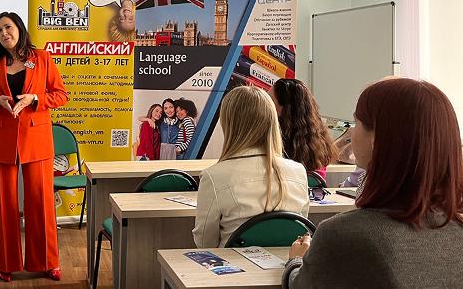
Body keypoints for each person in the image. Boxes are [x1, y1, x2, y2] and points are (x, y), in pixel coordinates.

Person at [283, 78, 463, 288]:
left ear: (377, 139)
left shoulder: (344, 235)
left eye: (356, 122)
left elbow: (301, 285)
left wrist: (296, 261)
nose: (352, 132)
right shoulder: (456, 230)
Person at [0, 12, 69, 283]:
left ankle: (48, 262)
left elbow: (61, 95)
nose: (4, 33)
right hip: (0, 143)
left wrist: (35, 98)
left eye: (8, 27)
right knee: (3, 206)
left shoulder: (42, 58)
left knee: (41, 203)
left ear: (19, 29)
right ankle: (5, 263)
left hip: (36, 140)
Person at [192, 86, 309, 247]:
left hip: (232, 263)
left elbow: (205, 243)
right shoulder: (298, 171)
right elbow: (301, 232)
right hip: (287, 261)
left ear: (229, 124)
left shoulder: (213, 176)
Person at [269, 79, 337, 179]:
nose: (265, 105)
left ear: (285, 110)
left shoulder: (275, 142)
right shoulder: (319, 142)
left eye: (269, 101)